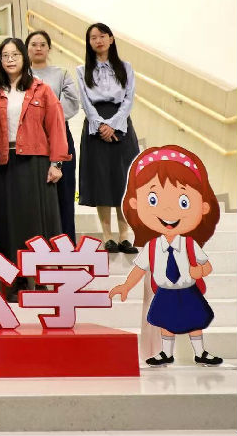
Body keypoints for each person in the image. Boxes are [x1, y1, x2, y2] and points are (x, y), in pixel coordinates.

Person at [110, 145, 222, 367]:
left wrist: (200, 270)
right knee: (165, 323)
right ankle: (165, 353)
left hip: (188, 290)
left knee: (195, 321)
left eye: (183, 202)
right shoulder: (152, 247)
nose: (169, 211)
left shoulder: (189, 244)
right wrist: (126, 286)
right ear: (135, 203)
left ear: (203, 206)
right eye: (153, 199)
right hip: (164, 291)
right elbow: (140, 268)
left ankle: (200, 352)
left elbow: (206, 265)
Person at [0, 37, 69, 298]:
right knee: (10, 223)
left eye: (15, 54)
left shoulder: (41, 89)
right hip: (4, 162)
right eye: (5, 55)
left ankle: (38, 279)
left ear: (24, 58)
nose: (10, 59)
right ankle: (13, 281)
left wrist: (56, 163)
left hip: (35, 161)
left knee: (36, 223)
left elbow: (56, 127)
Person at [76, 23, 140, 254]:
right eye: (93, 37)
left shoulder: (126, 67)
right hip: (95, 127)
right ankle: (107, 237)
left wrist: (113, 124)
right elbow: (85, 102)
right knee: (101, 179)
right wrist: (101, 125)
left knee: (123, 180)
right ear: (89, 42)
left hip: (121, 125)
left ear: (111, 39)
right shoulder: (81, 69)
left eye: (102, 36)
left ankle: (125, 236)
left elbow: (128, 99)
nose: (98, 40)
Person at [27, 30, 81, 243]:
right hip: (31, 137)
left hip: (60, 135)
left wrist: (50, 118)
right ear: (27, 49)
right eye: (33, 44)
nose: (38, 48)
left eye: (42, 44)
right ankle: (36, 244)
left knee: (65, 193)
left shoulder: (61, 73)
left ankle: (66, 242)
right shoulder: (21, 74)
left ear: (49, 48)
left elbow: (73, 102)